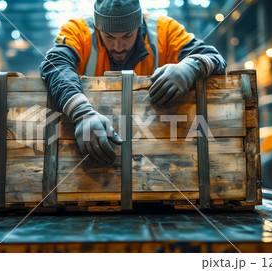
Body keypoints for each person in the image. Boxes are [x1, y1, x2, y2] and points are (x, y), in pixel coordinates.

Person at [40, 0, 226, 164]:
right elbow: (54, 64)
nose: (118, 47)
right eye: (109, 36)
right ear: (98, 27)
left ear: (139, 24)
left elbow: (213, 57)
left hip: (157, 150)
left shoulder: (165, 31)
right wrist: (81, 113)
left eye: (127, 36)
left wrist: (191, 67)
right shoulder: (78, 31)